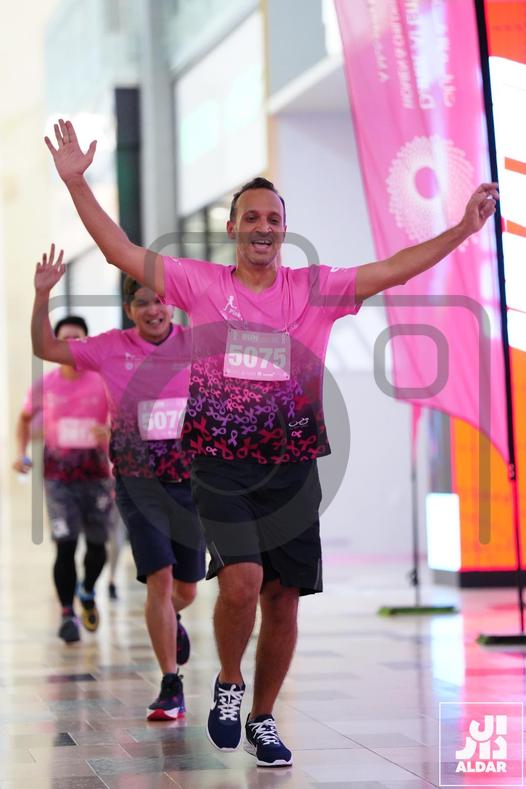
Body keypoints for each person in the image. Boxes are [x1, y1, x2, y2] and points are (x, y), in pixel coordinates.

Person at [45, 119, 498, 767]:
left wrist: (461, 230)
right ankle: (229, 681)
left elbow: (394, 269)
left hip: (293, 467)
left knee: (283, 599)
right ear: (233, 228)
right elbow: (119, 250)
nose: (263, 227)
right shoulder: (200, 284)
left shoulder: (315, 289)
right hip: (219, 463)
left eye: (273, 219)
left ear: (284, 229)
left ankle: (262, 716)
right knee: (242, 581)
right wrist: (76, 182)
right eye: (251, 217)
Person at [31, 244, 206, 721]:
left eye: (159, 299)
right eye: (141, 301)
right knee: (159, 578)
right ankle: (170, 684)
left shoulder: (196, 343)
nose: (153, 309)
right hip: (137, 482)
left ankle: (173, 618)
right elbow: (46, 348)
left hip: (189, 485)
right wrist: (42, 297)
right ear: (130, 309)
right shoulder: (111, 347)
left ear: (172, 304)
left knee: (186, 589)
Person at [15, 312, 114, 643]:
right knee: (65, 544)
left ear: (87, 342)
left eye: (78, 338)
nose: (71, 344)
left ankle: (87, 590)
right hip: (58, 478)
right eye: (65, 338)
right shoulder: (45, 385)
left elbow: (122, 419)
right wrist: (21, 454)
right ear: (55, 344)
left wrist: (110, 433)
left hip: (97, 476)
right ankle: (67, 614)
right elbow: (24, 419)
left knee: (98, 546)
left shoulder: (102, 380)